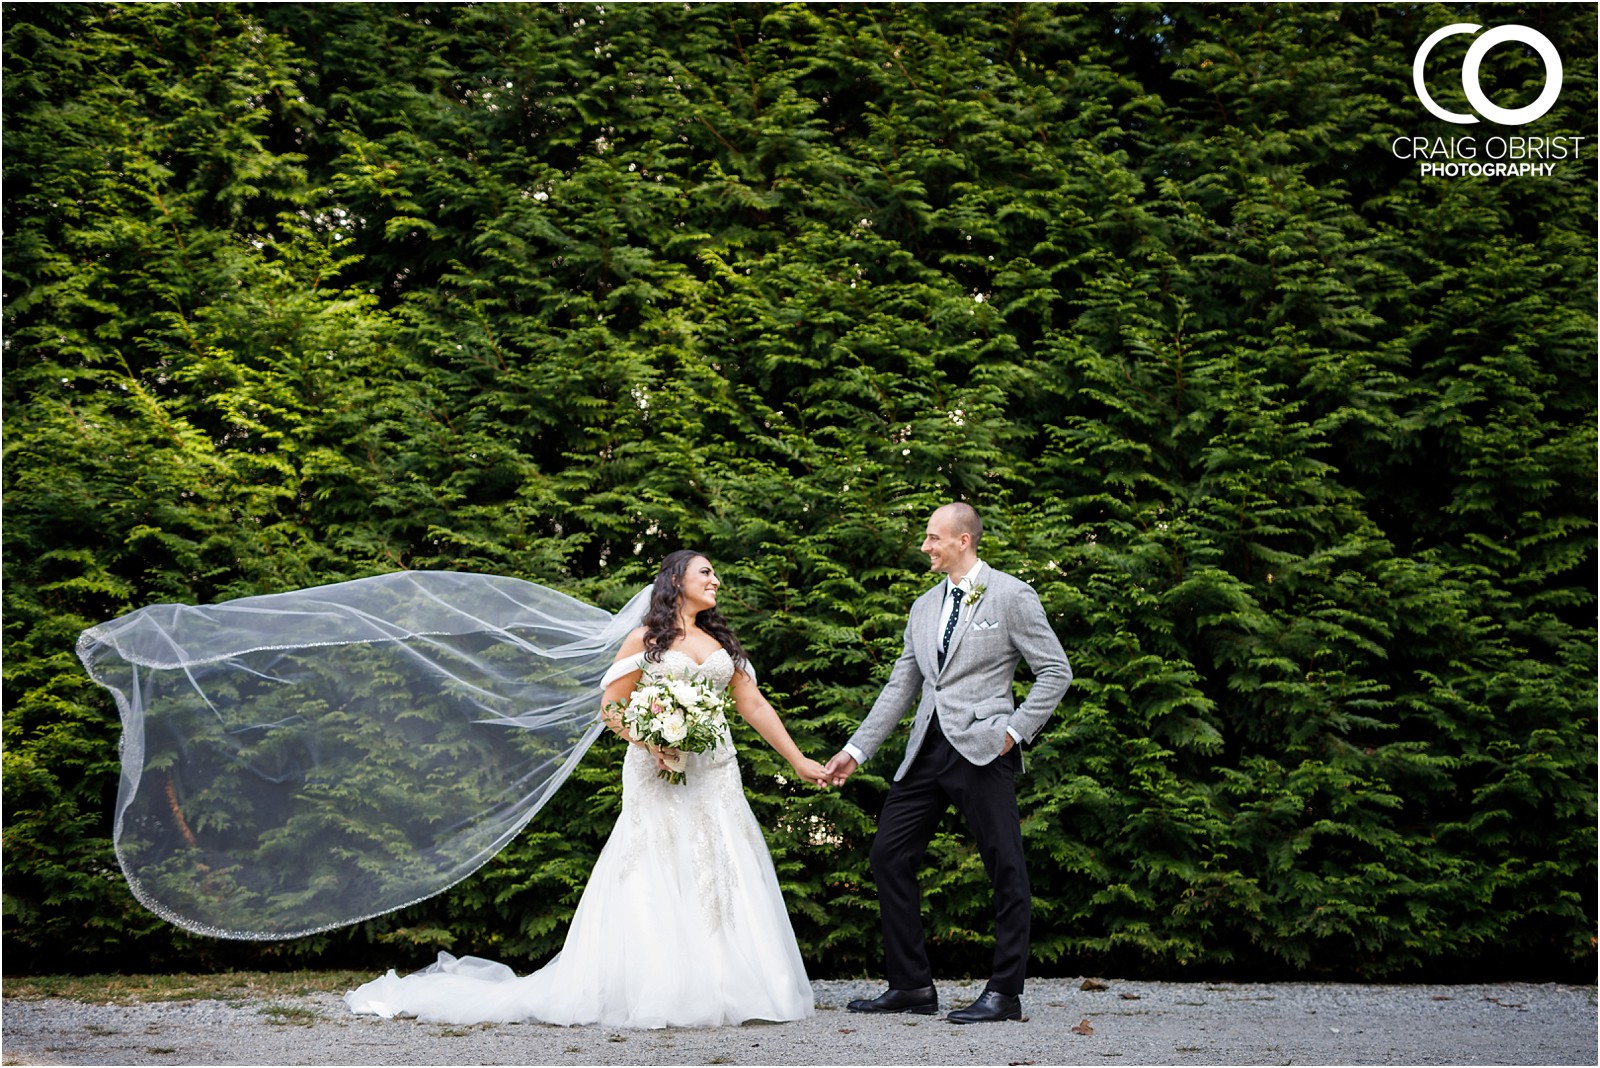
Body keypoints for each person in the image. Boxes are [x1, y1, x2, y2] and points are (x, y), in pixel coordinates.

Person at [345, 550, 830, 1028]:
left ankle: (733, 985)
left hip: (714, 770)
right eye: (706, 572)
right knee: (654, 863)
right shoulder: (647, 639)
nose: (716, 581)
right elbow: (612, 708)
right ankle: (658, 988)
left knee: (722, 859)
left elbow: (755, 705)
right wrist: (652, 741)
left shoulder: (719, 643)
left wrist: (799, 760)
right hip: (656, 770)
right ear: (676, 580)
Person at [824, 503, 1071, 1024]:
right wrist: (855, 750)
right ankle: (912, 986)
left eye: (933, 538)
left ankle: (1005, 993)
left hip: (984, 749)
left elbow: (1055, 671)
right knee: (888, 855)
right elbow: (902, 686)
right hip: (926, 749)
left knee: (1005, 866)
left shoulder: (1010, 594)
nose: (925, 547)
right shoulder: (921, 608)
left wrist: (1013, 731)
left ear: (963, 540)